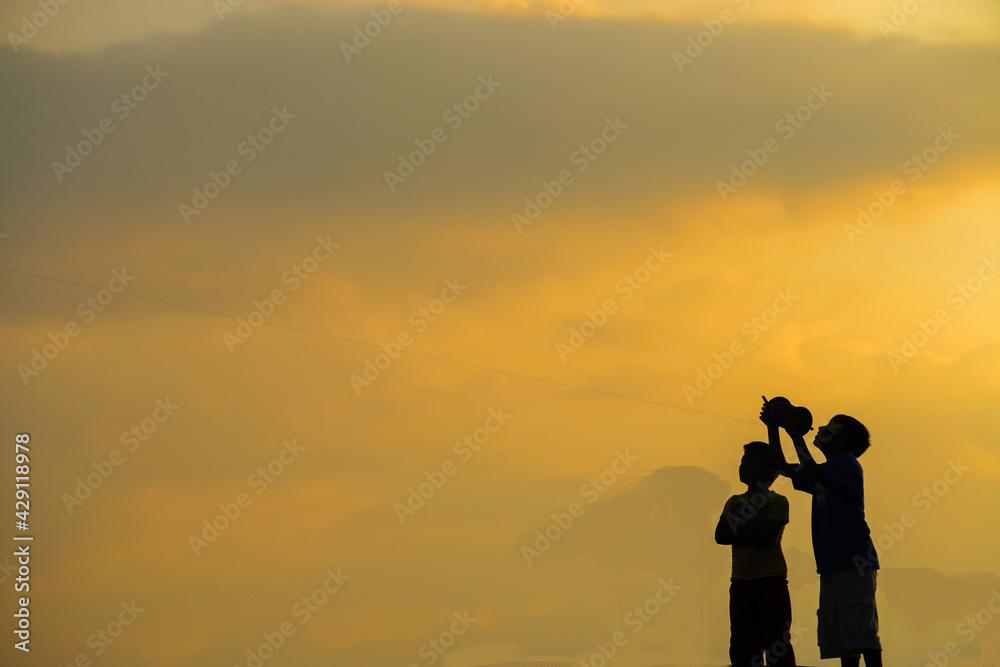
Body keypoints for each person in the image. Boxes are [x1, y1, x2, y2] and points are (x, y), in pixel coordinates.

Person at [761, 398, 883, 667]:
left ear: (843, 439)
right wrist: (773, 426)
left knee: (862, 633)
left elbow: (813, 472)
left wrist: (795, 436)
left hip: (854, 562)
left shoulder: (847, 464)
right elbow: (781, 467)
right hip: (832, 563)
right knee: (843, 637)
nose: (820, 429)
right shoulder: (827, 469)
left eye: (829, 427)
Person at [715, 441, 797, 667]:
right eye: (743, 460)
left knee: (776, 643)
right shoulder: (733, 501)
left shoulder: (778, 501)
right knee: (742, 644)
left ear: (768, 470)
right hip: (741, 581)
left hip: (770, 580)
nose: (743, 465)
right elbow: (720, 535)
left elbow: (765, 540)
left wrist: (738, 529)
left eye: (751, 460)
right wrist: (753, 526)